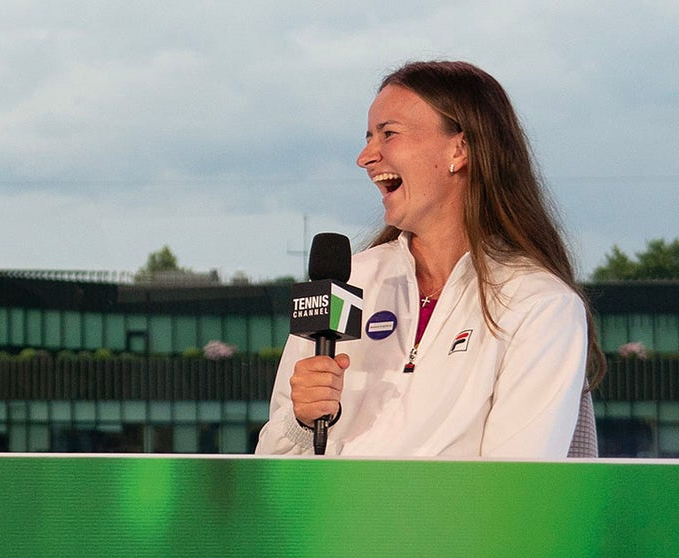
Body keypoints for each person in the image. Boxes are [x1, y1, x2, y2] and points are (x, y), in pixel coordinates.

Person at [255, 60, 604, 458]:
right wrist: (301, 422)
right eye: (369, 137)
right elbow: (270, 466)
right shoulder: (348, 281)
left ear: (460, 148)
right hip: (328, 521)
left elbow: (514, 489)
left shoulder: (540, 303)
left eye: (389, 134)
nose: (365, 157)